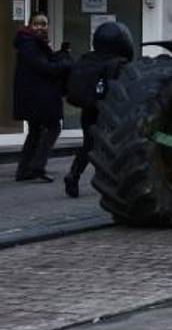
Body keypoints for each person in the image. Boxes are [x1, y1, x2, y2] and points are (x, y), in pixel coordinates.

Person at [63, 21, 135, 198]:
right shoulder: (119, 64)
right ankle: (109, 183)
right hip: (110, 111)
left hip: (88, 109)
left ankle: (74, 174)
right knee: (111, 148)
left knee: (89, 145)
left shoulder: (88, 59)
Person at [12, 13, 72, 182]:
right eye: (37, 24)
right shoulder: (29, 44)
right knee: (54, 127)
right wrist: (65, 63)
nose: (40, 27)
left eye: (44, 24)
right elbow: (44, 67)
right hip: (38, 96)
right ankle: (37, 167)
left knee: (35, 132)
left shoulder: (33, 43)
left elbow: (45, 62)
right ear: (30, 26)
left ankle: (24, 171)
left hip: (34, 95)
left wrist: (60, 54)